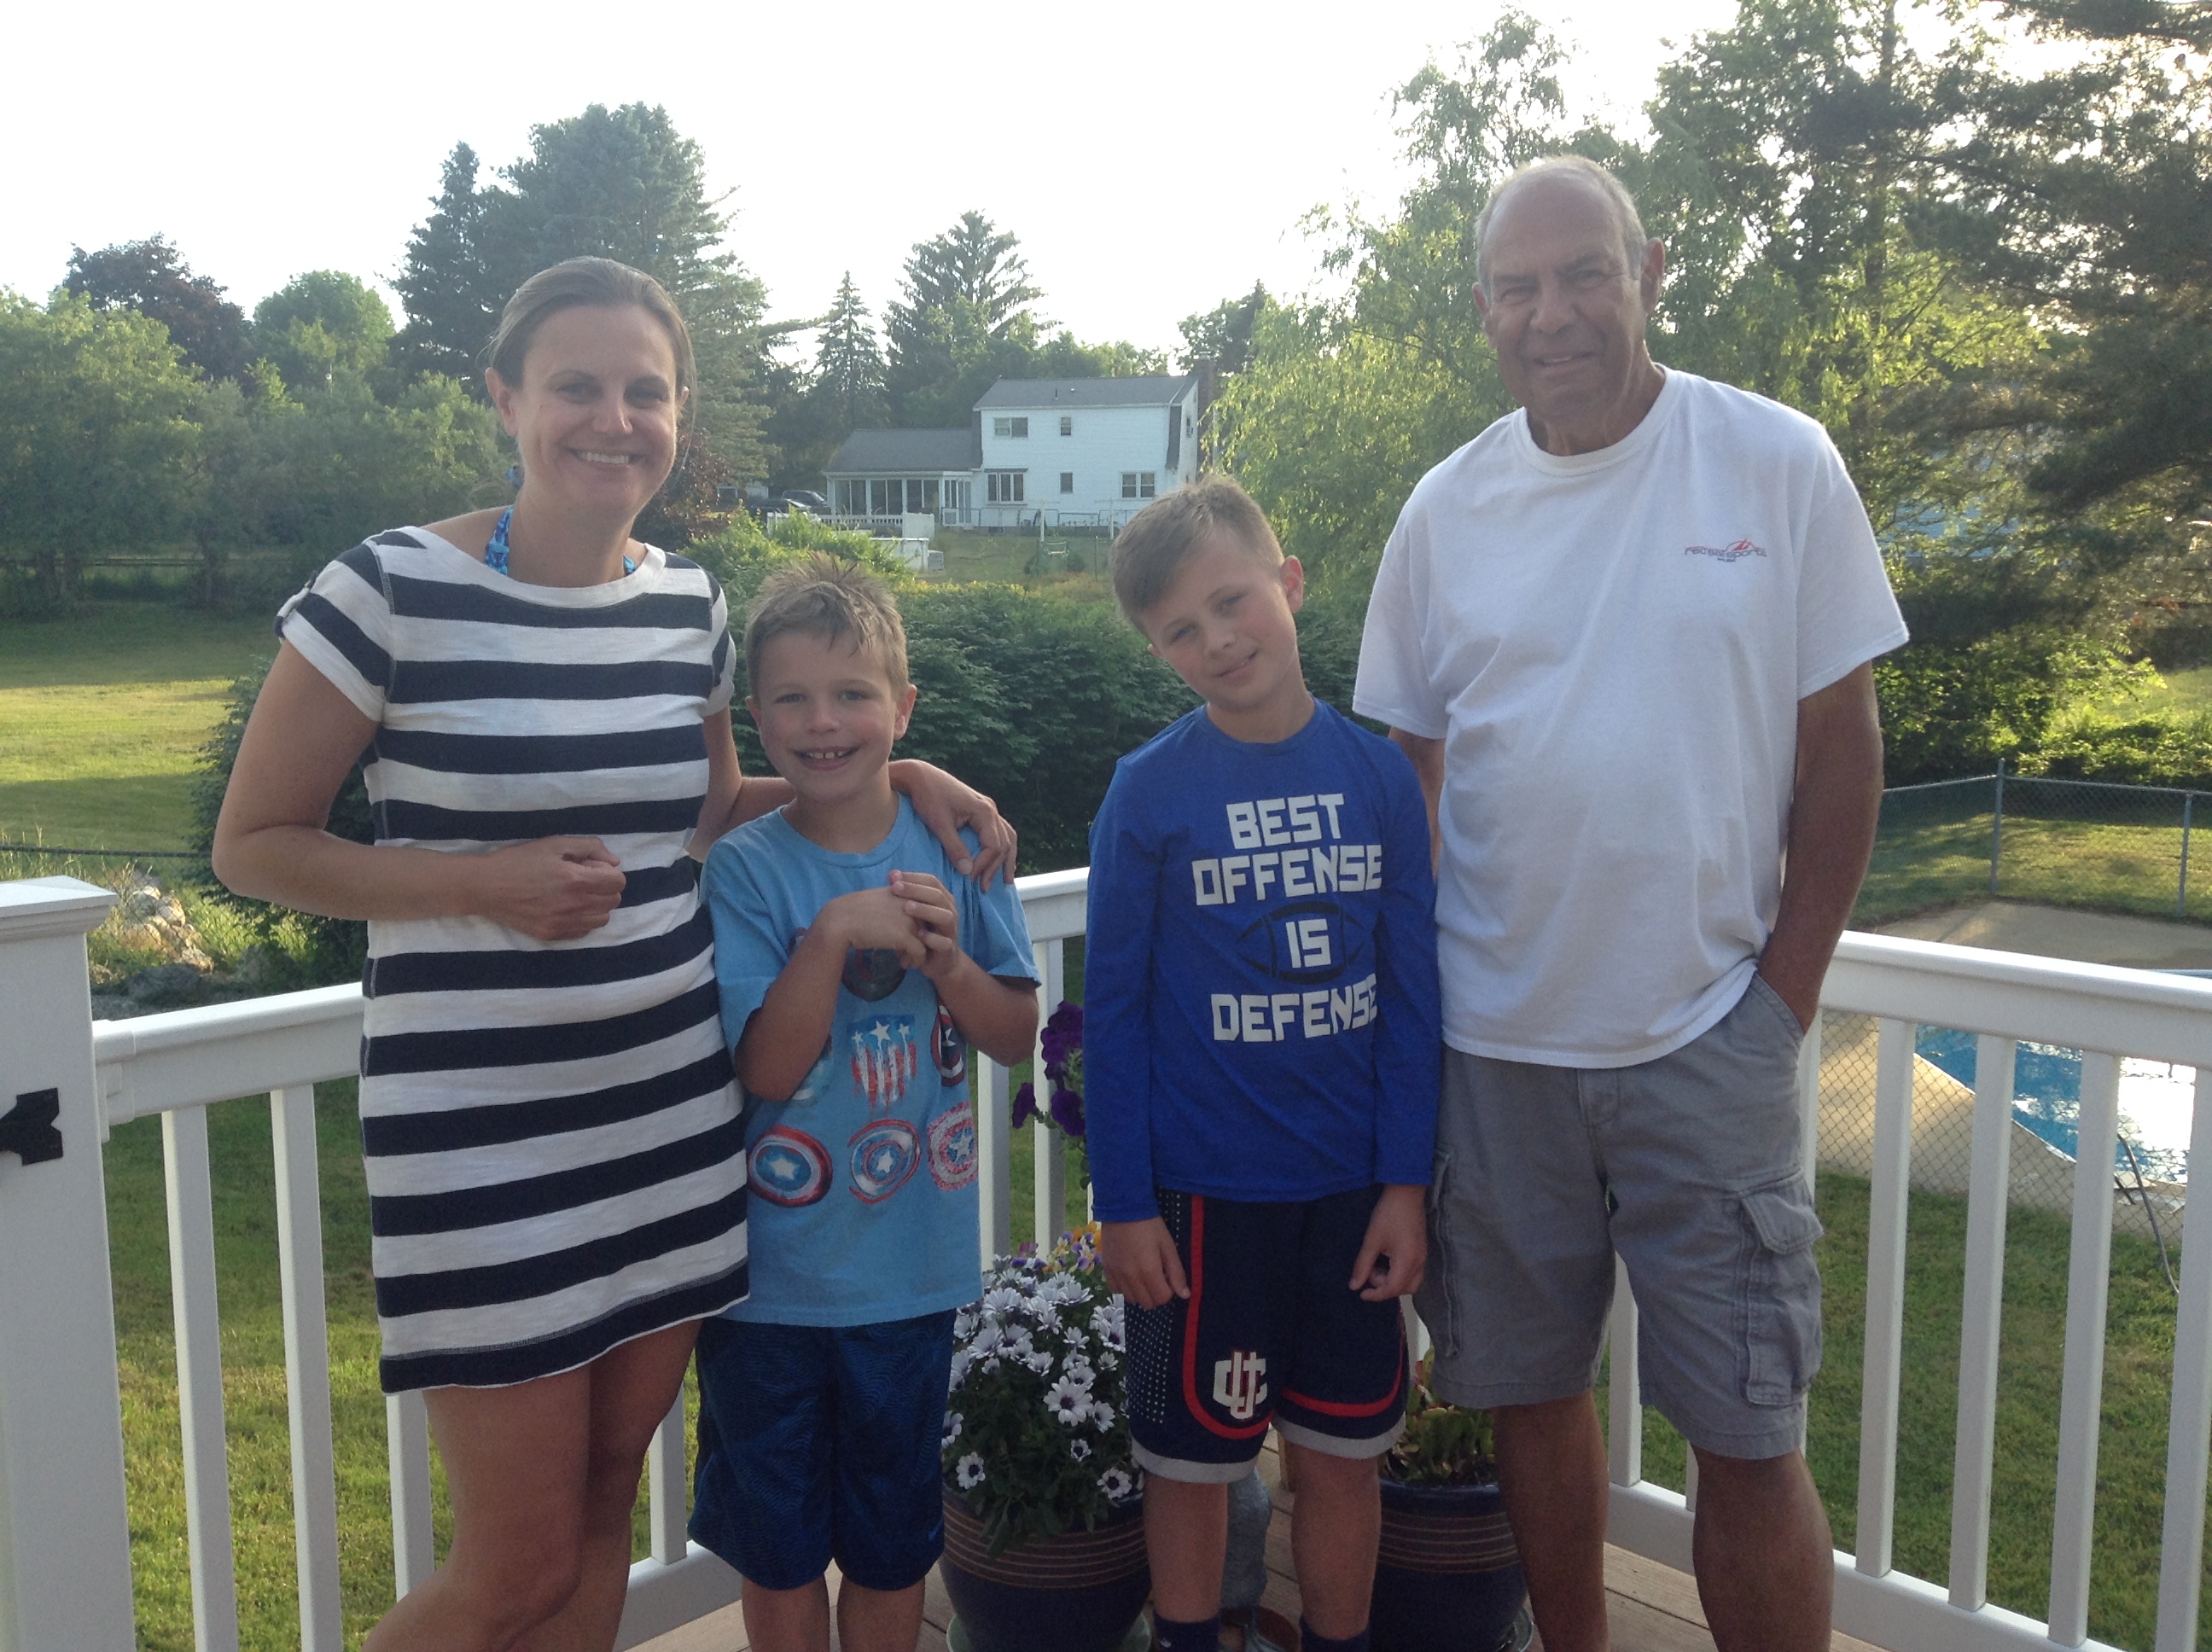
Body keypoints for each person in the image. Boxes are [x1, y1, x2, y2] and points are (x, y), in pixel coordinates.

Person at [211, 257, 1011, 1652]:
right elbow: (257, 843)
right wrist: (485, 885)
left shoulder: (683, 604)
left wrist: (912, 772)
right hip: (483, 1147)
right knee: (513, 1567)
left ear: (678, 415)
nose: (611, 417)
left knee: (594, 1518)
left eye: (645, 391)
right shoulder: (390, 587)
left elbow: (699, 810)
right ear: (506, 397)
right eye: (575, 386)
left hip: (670, 1134)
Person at [1353, 155, 1907, 1652]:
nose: (1554, 313)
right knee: (1527, 1400)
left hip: (1702, 1036)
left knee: (1748, 1428)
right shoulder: (1443, 509)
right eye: (1519, 287)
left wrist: (1781, 997)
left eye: (1583, 272)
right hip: (1497, 1049)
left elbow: (1840, 748)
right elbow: (1407, 778)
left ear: (1649, 269)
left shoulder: (1774, 463)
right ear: (1482, 309)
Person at [1087, 478, 1443, 1652]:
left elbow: (1408, 1000)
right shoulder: (1149, 791)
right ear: (1156, 650)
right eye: (1178, 631)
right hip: (1201, 1209)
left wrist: (1405, 1183)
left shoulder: (1380, 779)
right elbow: (1117, 1013)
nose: (1216, 640)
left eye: (1232, 601)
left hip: (1348, 1201)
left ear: (1288, 585)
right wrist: (1125, 1205)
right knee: (1190, 1468)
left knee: (1342, 1464)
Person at [691, 556, 1041, 1652]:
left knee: (894, 1549)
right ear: (756, 719)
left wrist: (947, 962)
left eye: (851, 694)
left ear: (903, 707)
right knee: (781, 1549)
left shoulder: (958, 848)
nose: (822, 720)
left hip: (909, 1278)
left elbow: (1014, 1032)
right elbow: (766, 1070)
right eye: (791, 697)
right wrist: (836, 934)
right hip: (769, 1289)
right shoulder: (746, 872)